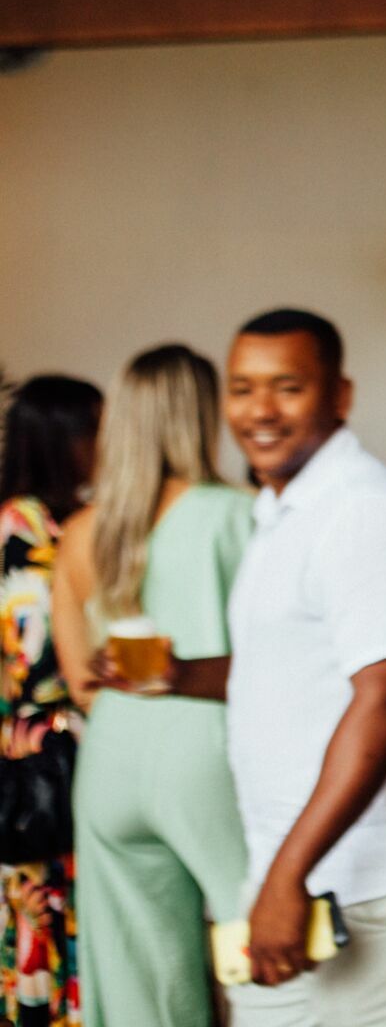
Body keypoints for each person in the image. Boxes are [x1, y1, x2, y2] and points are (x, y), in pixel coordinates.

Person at [211, 308, 386, 1025]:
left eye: (287, 388)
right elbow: (293, 669)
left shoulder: (361, 511)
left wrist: (286, 873)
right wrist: (179, 676)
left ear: (340, 396)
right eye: (242, 389)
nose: (260, 410)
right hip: (309, 887)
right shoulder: (284, 514)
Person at [47, 345, 255, 1026]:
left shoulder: (79, 533)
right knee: (258, 943)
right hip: (206, 750)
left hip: (110, 761)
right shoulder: (239, 514)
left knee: (141, 979)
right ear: (201, 414)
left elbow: (82, 681)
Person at [0, 375, 101, 1027]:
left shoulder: (58, 523)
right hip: (43, 753)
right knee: (42, 902)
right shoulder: (25, 531)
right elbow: (39, 661)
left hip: (49, 744)